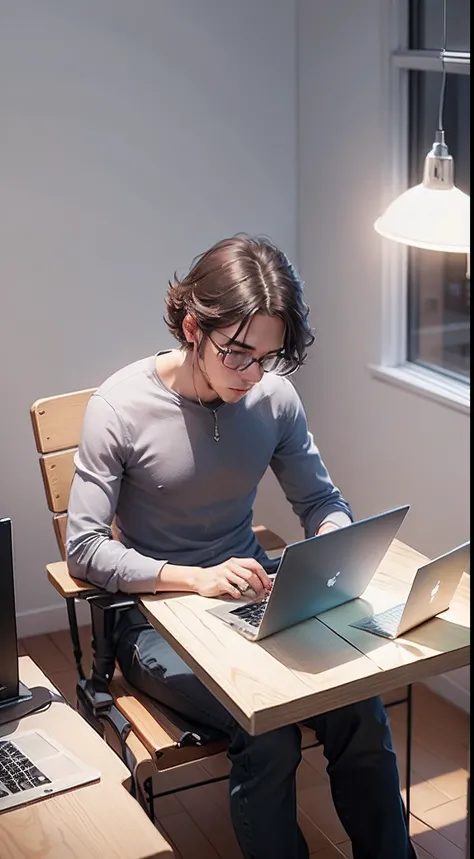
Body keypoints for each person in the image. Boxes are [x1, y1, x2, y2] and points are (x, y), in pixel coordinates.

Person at [66, 235, 416, 859]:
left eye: (269, 357)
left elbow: (321, 501)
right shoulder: (119, 406)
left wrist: (332, 536)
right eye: (237, 354)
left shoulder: (272, 398)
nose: (252, 375)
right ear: (193, 327)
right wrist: (192, 579)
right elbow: (85, 550)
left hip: (251, 593)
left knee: (358, 703)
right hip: (154, 623)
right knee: (271, 723)